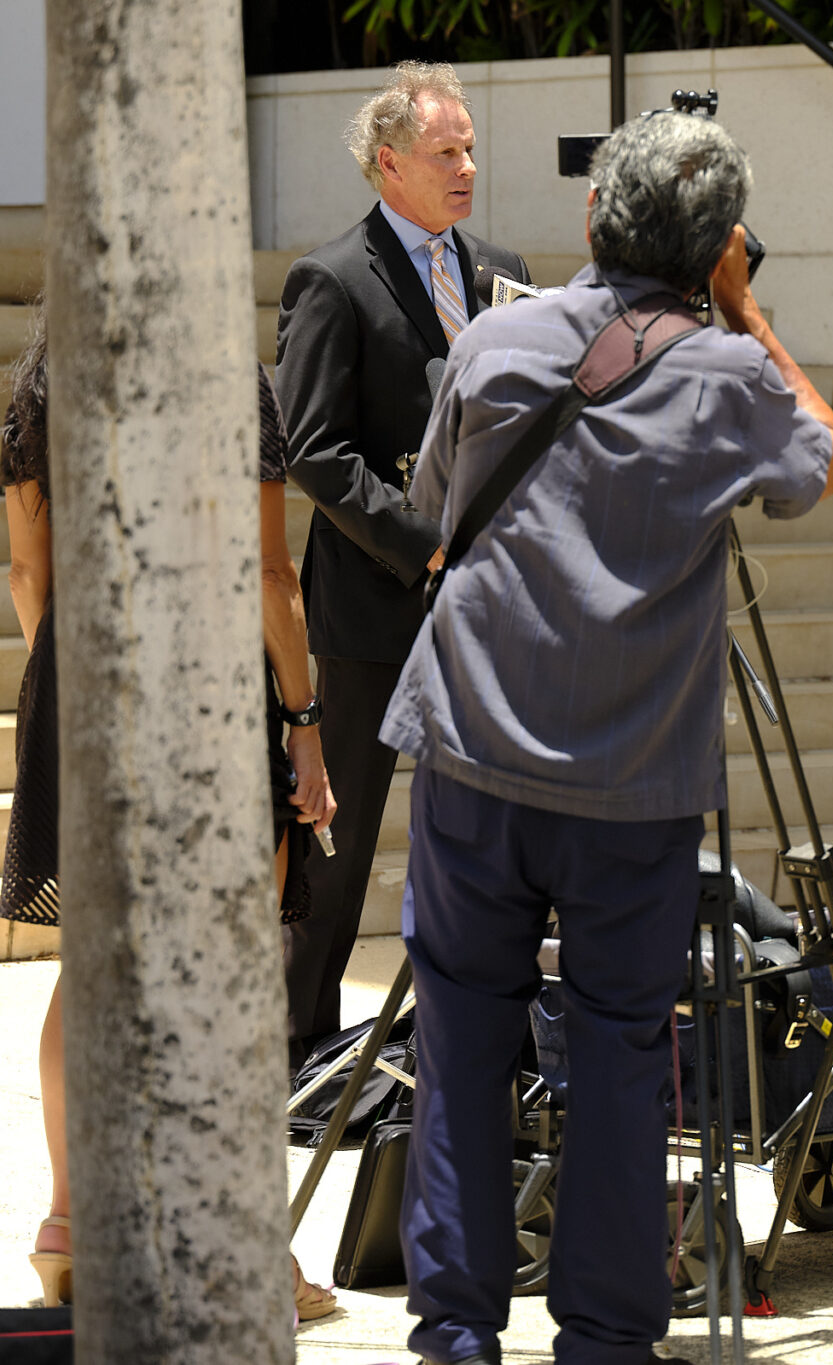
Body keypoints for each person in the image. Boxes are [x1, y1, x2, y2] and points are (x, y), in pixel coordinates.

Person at [380, 111, 833, 1365]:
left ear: (593, 221)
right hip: (633, 780)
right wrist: (741, 310)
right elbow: (823, 463)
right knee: (622, 1050)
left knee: (462, 1035)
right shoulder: (730, 375)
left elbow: (430, 504)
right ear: (716, 250)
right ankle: (601, 1336)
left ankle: (458, 1332)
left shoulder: (493, 336)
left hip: (474, 745)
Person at [0, 319, 340, 1319]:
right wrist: (306, 720)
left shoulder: (43, 379)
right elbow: (272, 575)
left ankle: (68, 1228)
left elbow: (29, 577)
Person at [275, 60, 530, 1070]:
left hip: (493, 608)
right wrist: (426, 545)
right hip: (375, 610)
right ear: (388, 163)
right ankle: (294, 1046)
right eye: (445, 152)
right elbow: (314, 451)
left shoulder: (501, 269)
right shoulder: (332, 279)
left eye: (470, 148)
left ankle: (481, 1049)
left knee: (490, 843)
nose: (466, 166)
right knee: (337, 849)